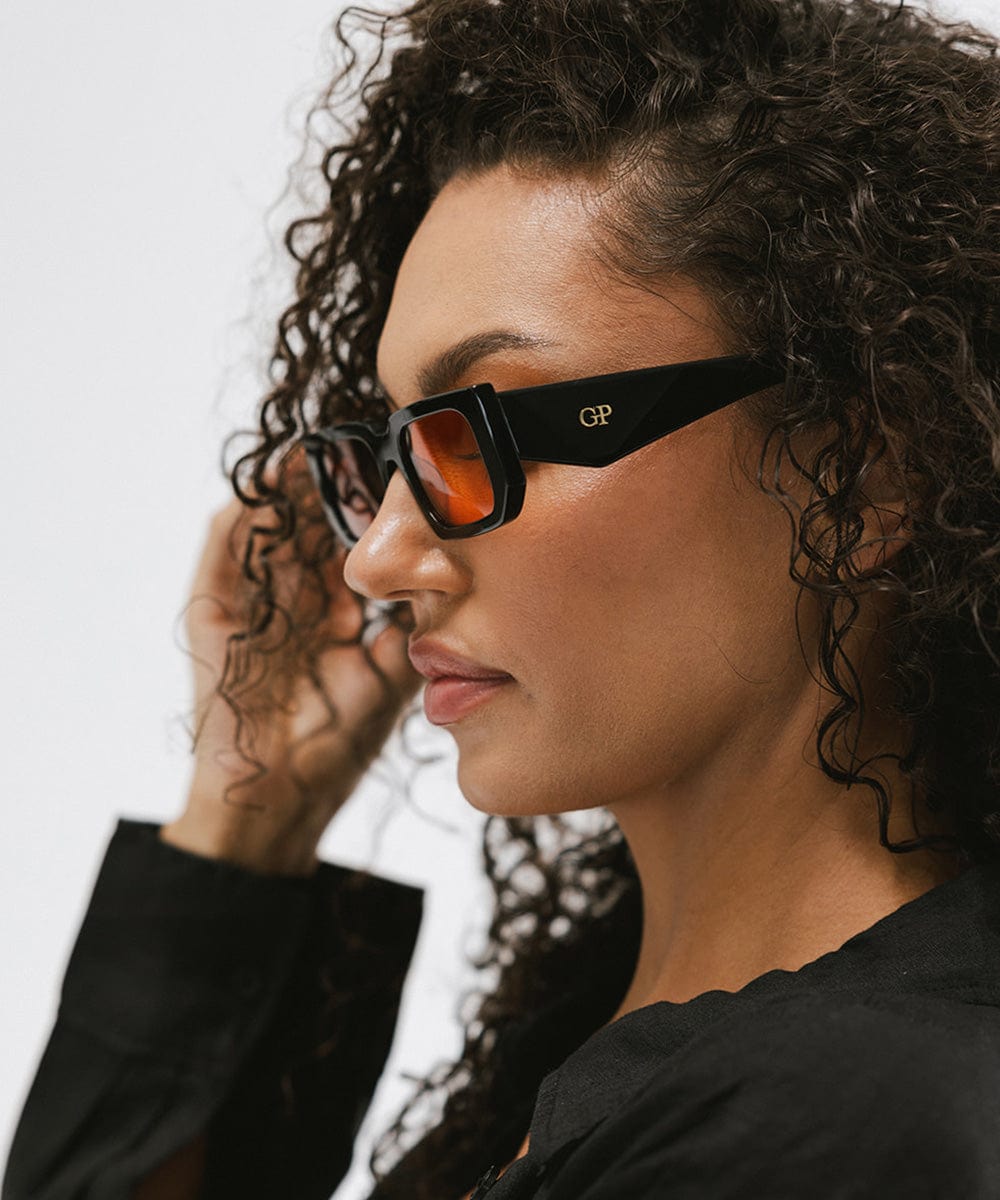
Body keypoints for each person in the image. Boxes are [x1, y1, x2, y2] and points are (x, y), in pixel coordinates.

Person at [6, 0, 1000, 1195]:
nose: (375, 557)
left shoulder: (841, 1120)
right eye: (392, 452)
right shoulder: (641, 1042)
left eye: (486, 428)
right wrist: (245, 819)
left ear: (863, 482)